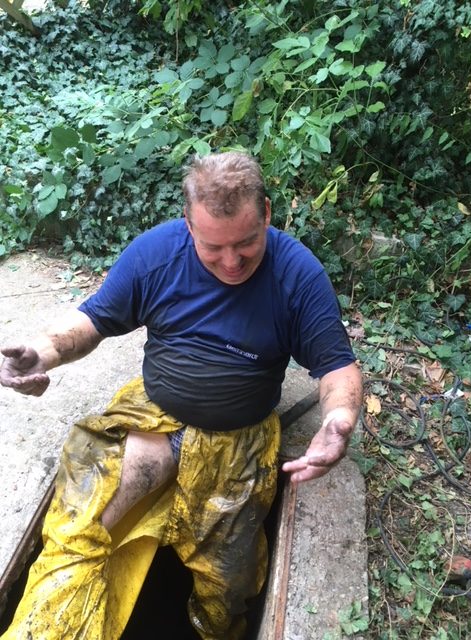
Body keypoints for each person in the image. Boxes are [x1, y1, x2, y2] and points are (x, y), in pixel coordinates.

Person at [0, 151, 362, 640]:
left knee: (227, 583)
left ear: (266, 214)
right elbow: (94, 319)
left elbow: (337, 367)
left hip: (238, 440)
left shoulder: (298, 275)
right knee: (79, 529)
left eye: (246, 243)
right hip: (154, 419)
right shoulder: (156, 254)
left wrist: (338, 420)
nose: (231, 262)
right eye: (213, 247)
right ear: (188, 225)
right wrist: (44, 351)